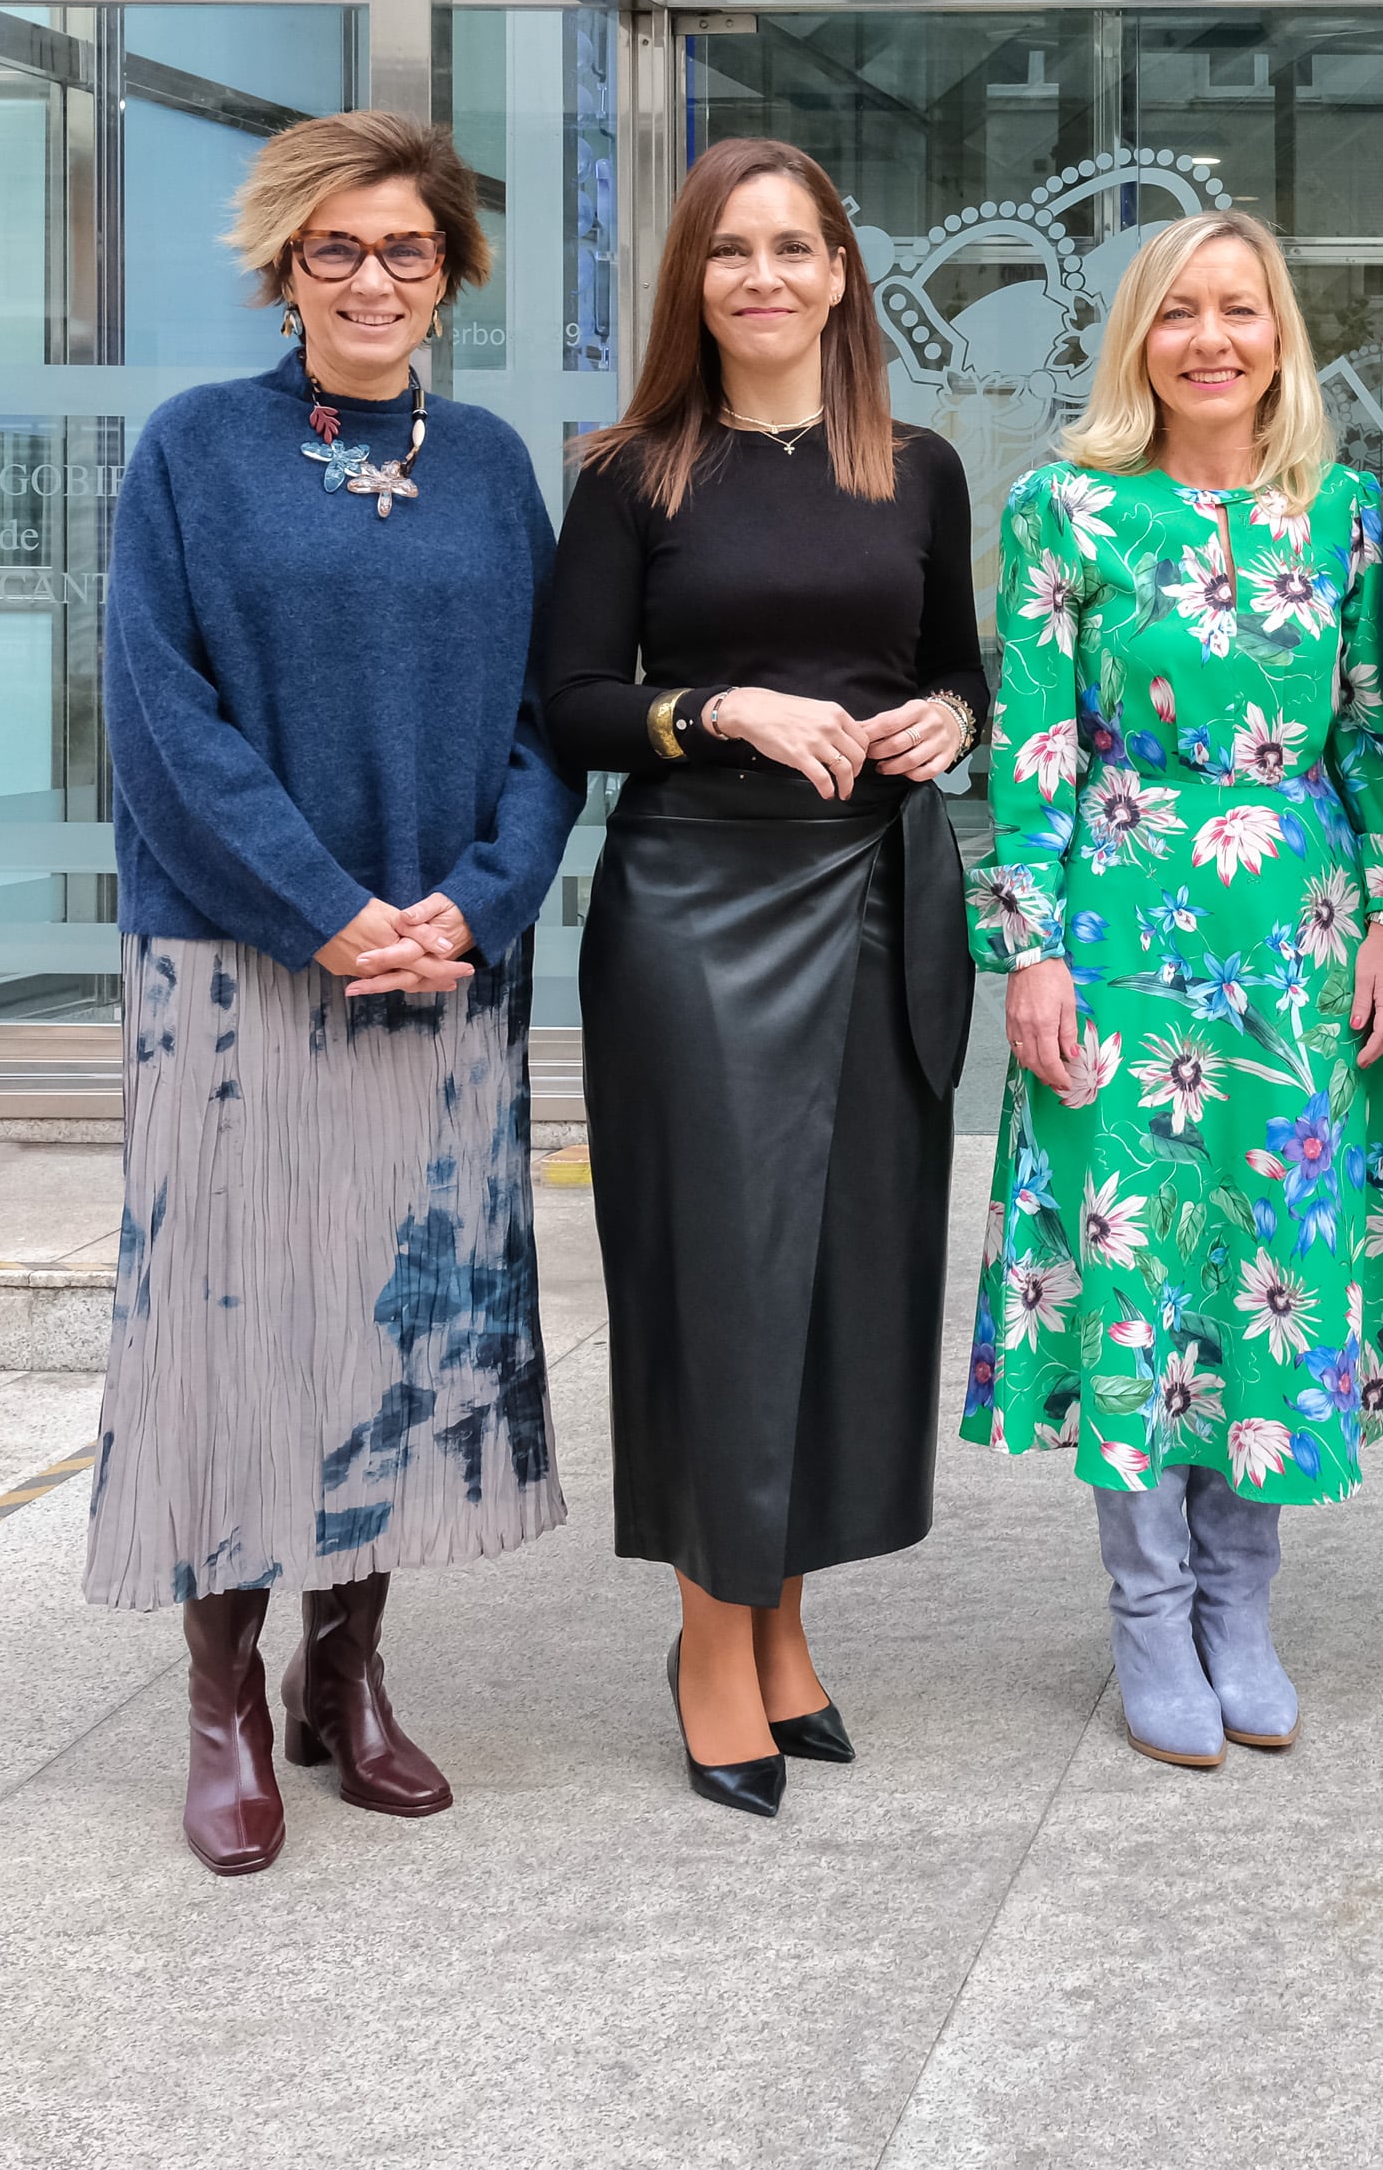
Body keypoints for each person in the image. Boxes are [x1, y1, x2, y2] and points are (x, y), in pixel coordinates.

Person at [89, 109, 581, 1879]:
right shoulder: (195, 453)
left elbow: (549, 725)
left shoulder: (492, 465)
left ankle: (344, 1674)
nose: (376, 281)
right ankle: (221, 1699)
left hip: (443, 967)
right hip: (234, 967)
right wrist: (324, 911)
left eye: (409, 251)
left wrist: (474, 905)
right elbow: (160, 719)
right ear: (286, 268)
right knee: (234, 1328)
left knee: (392, 1324)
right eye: (338, 251)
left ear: (453, 271)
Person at [963, 209, 1383, 1769]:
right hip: (1121, 938)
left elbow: (1373, 741)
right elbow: (1030, 751)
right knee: (1140, 1274)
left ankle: (1242, 1607)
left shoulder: (1344, 515)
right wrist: (1026, 948)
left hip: (1302, 946)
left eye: (1240, 310)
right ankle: (1147, 1612)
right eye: (1180, 313)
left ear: (1280, 334)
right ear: (1140, 339)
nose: (1212, 340)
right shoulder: (1063, 511)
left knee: (1268, 1273)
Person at [535, 136, 987, 1819]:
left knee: (840, 1283)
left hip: (872, 898)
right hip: (694, 910)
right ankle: (709, 1641)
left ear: (842, 275)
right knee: (714, 1281)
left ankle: (787, 1617)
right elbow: (572, 699)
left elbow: (956, 666)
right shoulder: (632, 474)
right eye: (732, 251)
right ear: (693, 283)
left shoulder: (918, 466)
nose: (766, 277)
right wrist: (717, 709)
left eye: (796, 247)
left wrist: (956, 718)